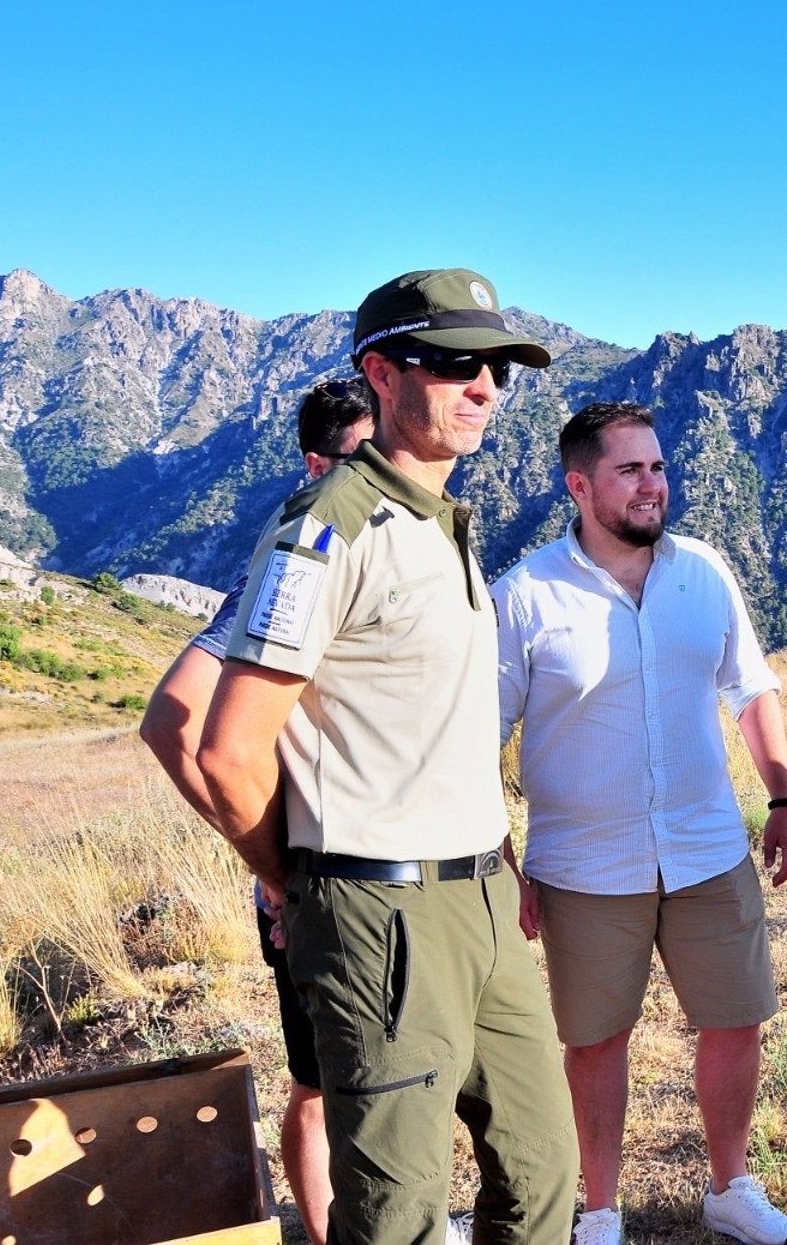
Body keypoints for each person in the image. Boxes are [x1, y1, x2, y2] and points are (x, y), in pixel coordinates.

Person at [197, 268, 581, 1245]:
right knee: (399, 1211)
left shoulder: (437, 518)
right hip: (379, 906)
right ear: (378, 370)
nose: (485, 383)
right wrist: (303, 884)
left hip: (482, 894)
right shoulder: (327, 530)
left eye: (496, 363)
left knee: (543, 1174)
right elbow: (224, 751)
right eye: (454, 361)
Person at [491, 401, 787, 1245]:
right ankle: (598, 1211)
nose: (652, 484)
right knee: (595, 1042)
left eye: (658, 467)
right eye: (630, 470)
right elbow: (476, 736)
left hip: (708, 848)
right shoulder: (523, 597)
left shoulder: (704, 570)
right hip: (585, 868)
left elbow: (751, 685)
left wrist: (782, 796)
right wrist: (502, 858)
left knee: (737, 1018)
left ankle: (731, 1187)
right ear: (580, 486)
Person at [141, 378, 374, 1245]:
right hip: (316, 876)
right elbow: (170, 721)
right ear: (317, 464)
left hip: (366, 871)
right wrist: (271, 870)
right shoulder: (289, 571)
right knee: (324, 1086)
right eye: (361, 459)